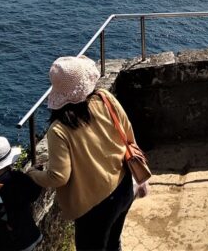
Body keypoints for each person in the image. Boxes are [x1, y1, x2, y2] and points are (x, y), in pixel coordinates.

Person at [29, 55, 145, 251]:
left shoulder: (59, 130)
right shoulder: (105, 99)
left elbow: (58, 176)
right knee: (113, 243)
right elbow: (128, 134)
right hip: (123, 185)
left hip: (93, 208)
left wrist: (33, 174)